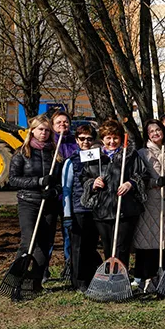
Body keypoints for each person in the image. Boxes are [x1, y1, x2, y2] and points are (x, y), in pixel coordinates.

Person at [80, 118, 146, 270]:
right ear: (102, 139)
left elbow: (143, 174)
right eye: (108, 138)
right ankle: (109, 276)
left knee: (122, 247)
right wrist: (92, 183)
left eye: (115, 137)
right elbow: (84, 177)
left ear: (121, 138)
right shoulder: (94, 157)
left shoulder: (130, 156)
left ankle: (121, 279)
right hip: (102, 210)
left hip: (125, 209)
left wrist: (131, 183)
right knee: (108, 247)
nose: (112, 141)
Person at [8, 114, 63, 291]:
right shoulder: (22, 153)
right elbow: (13, 180)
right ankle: (15, 280)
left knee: (45, 243)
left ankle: (36, 282)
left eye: (47, 130)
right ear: (32, 131)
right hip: (28, 202)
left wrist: (54, 191)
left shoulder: (55, 154)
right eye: (40, 129)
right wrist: (38, 182)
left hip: (49, 204)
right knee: (28, 241)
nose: (44, 133)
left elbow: (61, 182)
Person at [134, 119, 165, 293]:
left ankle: (162, 278)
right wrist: (152, 182)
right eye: (151, 131)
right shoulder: (142, 153)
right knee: (147, 241)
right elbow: (139, 178)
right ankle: (144, 277)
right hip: (150, 202)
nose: (155, 133)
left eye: (158, 130)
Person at [60, 123, 101, 291]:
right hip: (78, 209)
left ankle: (91, 277)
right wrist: (67, 214)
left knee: (91, 246)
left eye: (89, 139)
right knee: (78, 247)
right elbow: (66, 189)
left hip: (95, 210)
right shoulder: (71, 162)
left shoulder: (99, 160)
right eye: (82, 139)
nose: (86, 142)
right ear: (77, 140)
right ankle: (78, 281)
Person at [48, 110, 77, 279]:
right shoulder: (50, 142)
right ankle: (43, 268)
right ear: (53, 125)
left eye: (65, 122)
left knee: (69, 233)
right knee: (48, 235)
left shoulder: (75, 142)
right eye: (59, 122)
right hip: (53, 197)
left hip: (70, 198)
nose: (62, 125)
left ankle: (69, 267)